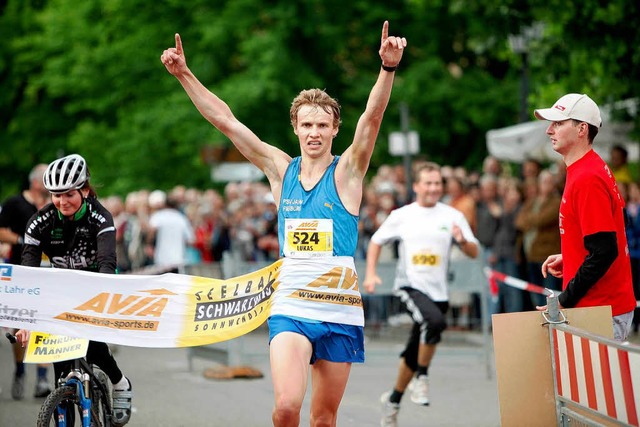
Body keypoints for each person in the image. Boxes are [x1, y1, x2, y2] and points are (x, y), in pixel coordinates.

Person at [161, 21, 406, 427]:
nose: (314, 133)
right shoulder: (280, 170)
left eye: (322, 125)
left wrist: (387, 69)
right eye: (307, 125)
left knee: (324, 419)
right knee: (287, 407)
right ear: (295, 127)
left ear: (334, 130)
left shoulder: (347, 173)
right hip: (291, 305)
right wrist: (185, 74)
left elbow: (372, 119)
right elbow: (226, 121)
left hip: (340, 309)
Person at [15, 154, 133, 426]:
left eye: (68, 194)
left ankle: (119, 382)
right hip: (61, 287)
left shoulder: (99, 216)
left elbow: (107, 263)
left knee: (92, 346)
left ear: (85, 190)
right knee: (60, 355)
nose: (62, 201)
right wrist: (24, 320)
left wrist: (104, 306)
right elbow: (28, 272)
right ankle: (63, 402)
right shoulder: (40, 221)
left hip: (95, 284)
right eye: (56, 195)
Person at [363, 162, 479, 427]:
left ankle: (392, 401)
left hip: (439, 291)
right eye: (427, 183)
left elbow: (474, 252)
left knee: (415, 349)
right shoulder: (402, 215)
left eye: (438, 183)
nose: (433, 188)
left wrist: (462, 241)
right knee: (434, 323)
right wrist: (370, 273)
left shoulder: (452, 215)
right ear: (416, 186)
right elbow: (376, 241)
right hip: (410, 286)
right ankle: (422, 378)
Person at [534, 94, 636, 342]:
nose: (549, 130)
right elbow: (601, 237)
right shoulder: (585, 168)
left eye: (558, 123)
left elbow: (604, 251)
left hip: (601, 310)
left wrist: (563, 299)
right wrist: (571, 255)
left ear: (582, 129)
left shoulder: (587, 177)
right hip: (602, 308)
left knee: (597, 382)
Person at [0, 163, 53, 399]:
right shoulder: (15, 203)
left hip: (49, 273)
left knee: (43, 322)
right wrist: (24, 240)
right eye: (47, 180)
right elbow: (0, 231)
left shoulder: (55, 204)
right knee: (22, 325)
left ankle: (42, 378)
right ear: (35, 182)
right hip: (21, 272)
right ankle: (21, 370)